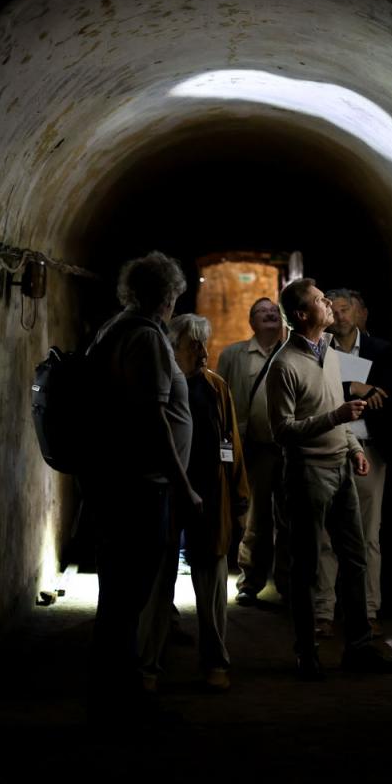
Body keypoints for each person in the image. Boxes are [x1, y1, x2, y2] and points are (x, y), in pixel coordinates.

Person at [83, 251, 202, 720]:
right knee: (129, 595)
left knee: (119, 595)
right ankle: (122, 700)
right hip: (139, 486)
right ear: (167, 295)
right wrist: (183, 484)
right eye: (174, 294)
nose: (175, 302)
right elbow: (152, 418)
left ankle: (111, 693)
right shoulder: (147, 337)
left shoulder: (113, 328)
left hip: (118, 481)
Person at [266, 279, 392, 679]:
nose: (329, 304)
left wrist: (355, 450)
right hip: (307, 472)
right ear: (303, 315)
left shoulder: (327, 352)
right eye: (321, 301)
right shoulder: (285, 365)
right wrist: (337, 420)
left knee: (355, 557)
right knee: (307, 565)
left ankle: (358, 646)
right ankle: (306, 653)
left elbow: (335, 405)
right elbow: (283, 431)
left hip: (341, 465)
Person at [138, 314, 249, 692]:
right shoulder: (159, 386)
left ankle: (215, 662)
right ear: (173, 349)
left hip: (210, 495)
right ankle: (147, 667)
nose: (203, 351)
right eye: (194, 345)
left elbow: (231, 444)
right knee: (157, 583)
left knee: (214, 585)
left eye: (205, 344)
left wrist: (239, 497)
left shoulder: (216, 387)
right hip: (166, 495)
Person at [314, 289, 392, 637]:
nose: (340, 316)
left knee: (367, 534)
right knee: (325, 536)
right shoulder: (317, 349)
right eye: (334, 309)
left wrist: (367, 392)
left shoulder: (382, 352)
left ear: (360, 314)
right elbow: (315, 395)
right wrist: (355, 388)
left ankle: (368, 609)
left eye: (346, 310)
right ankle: (323, 612)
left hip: (369, 449)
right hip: (327, 447)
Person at [216, 296, 290, 605]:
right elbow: (221, 400)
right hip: (254, 448)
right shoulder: (235, 355)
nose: (270, 314)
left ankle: (288, 582)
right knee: (256, 518)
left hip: (288, 448)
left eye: (274, 311)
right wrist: (226, 447)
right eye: (262, 312)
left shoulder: (293, 352)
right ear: (251, 323)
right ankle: (250, 581)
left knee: (289, 519)